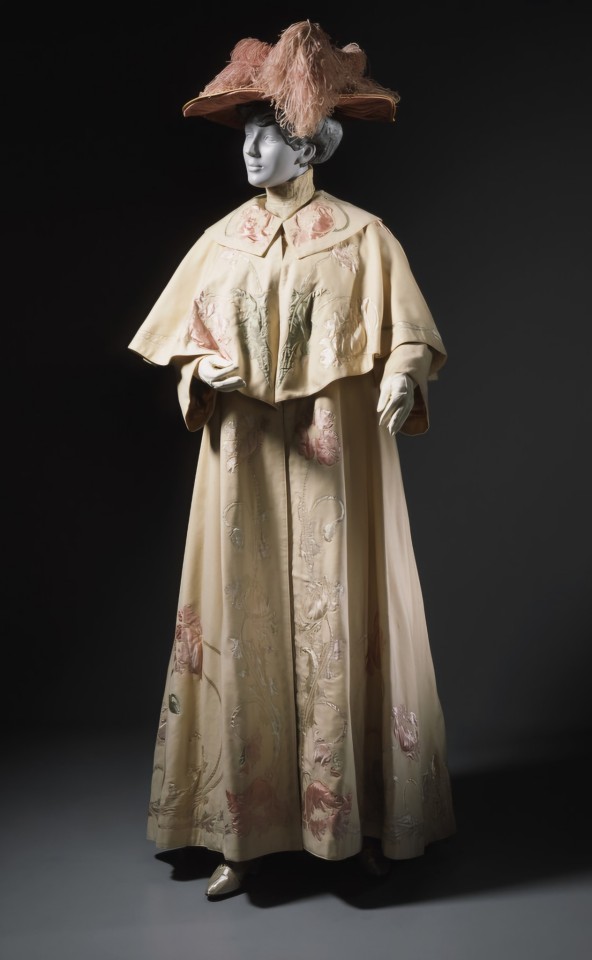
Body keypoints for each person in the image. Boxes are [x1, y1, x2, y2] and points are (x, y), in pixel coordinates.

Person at [129, 20, 456, 900]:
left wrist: (402, 373)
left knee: (344, 612)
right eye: (246, 134)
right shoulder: (222, 240)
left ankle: (368, 815)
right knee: (242, 621)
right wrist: (199, 371)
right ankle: (241, 827)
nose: (251, 149)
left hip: (335, 458)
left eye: (269, 134)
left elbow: (409, 331)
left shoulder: (362, 236)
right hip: (244, 457)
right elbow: (183, 341)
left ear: (310, 143)